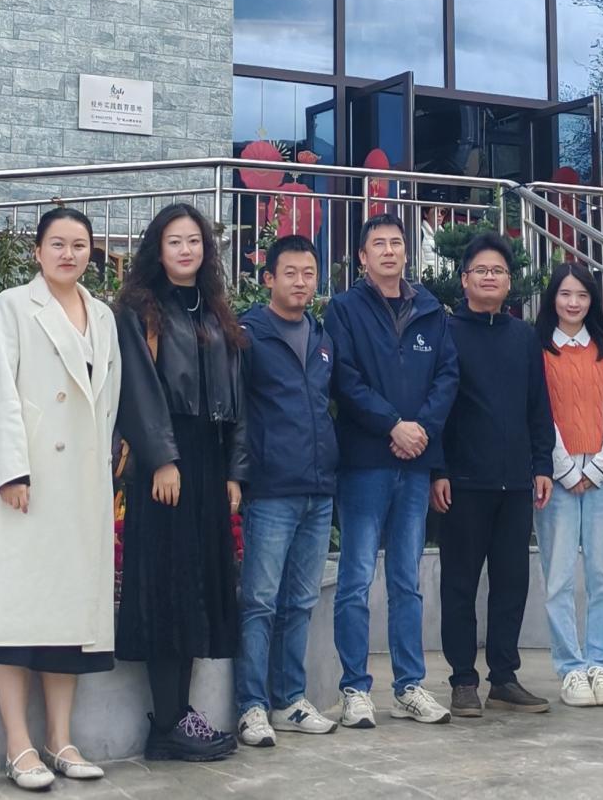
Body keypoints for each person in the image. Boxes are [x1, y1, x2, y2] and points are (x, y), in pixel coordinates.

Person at [0, 207, 120, 791]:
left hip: (81, 485)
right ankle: (17, 744)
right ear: (37, 251)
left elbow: (108, 401)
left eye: (79, 245)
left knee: (68, 614)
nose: (68, 254)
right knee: (17, 612)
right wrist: (9, 472)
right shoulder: (11, 307)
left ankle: (60, 738)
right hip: (27, 485)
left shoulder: (103, 315)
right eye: (57, 243)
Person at [114, 203, 249, 761]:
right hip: (165, 461)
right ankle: (166, 723)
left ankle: (180, 717)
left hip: (208, 460)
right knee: (166, 584)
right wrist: (163, 458)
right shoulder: (137, 309)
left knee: (196, 585)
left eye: (194, 240)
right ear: (158, 248)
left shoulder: (215, 310)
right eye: (175, 241)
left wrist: (235, 471)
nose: (186, 250)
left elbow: (238, 396)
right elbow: (137, 388)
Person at [327, 212, 460, 728]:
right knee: (356, 578)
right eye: (378, 244)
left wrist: (421, 429)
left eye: (396, 243)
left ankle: (409, 686)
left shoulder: (431, 309)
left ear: (407, 252)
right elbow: (345, 379)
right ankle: (354, 688)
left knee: (408, 579)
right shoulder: (344, 309)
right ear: (362, 257)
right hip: (365, 461)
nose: (388, 251)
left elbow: (447, 376)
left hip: (416, 462)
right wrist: (393, 426)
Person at [433, 232, 555, 716]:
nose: (489, 277)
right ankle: (463, 680)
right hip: (462, 482)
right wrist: (438, 469)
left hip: (516, 482)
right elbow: (437, 408)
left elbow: (538, 406)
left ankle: (504, 677)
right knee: (459, 584)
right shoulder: (446, 332)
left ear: (509, 282)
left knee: (511, 583)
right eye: (480, 270)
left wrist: (542, 464)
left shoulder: (523, 337)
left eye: (498, 271)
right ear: (464, 280)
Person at [234, 235, 340, 746]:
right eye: (290, 273)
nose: (301, 282)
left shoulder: (321, 337)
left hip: (318, 489)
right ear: (269, 279)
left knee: (299, 601)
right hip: (271, 488)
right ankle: (251, 707)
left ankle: (290, 700)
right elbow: (236, 412)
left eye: (309, 273)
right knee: (259, 601)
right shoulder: (248, 336)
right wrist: (239, 476)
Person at [533, 261, 603, 709]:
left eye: (582, 295)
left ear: (593, 301)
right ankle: (570, 668)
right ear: (552, 298)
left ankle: (600, 663)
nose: (573, 303)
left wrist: (600, 468)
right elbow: (541, 412)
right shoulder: (539, 347)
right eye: (565, 294)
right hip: (556, 476)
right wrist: (567, 470)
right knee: (557, 577)